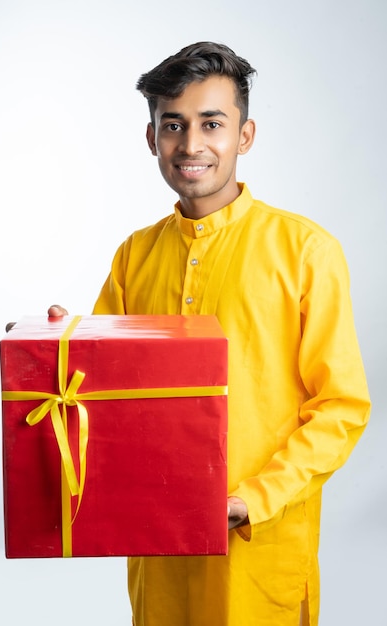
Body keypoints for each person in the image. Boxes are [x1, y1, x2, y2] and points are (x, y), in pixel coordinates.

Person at [49, 42, 371, 626]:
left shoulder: (305, 252)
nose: (191, 145)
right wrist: (54, 345)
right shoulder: (134, 255)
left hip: (259, 549)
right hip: (158, 549)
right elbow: (95, 396)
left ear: (244, 136)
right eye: (173, 125)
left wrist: (252, 500)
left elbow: (341, 409)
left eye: (212, 124)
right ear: (152, 139)